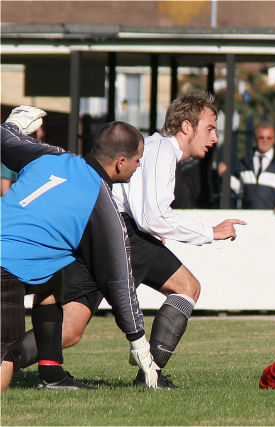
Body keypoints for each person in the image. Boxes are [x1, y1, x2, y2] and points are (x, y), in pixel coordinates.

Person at [15, 93, 246, 389]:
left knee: (70, 329)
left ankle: (7, 360)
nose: (214, 137)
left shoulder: (156, 148)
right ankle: (150, 375)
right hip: (122, 233)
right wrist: (210, 232)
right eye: (210, 128)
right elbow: (152, 218)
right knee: (187, 287)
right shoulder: (162, 150)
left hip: (104, 230)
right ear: (187, 126)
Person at [1, 107, 160, 391]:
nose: (139, 167)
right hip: (5, 271)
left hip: (12, 263)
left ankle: (51, 374)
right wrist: (139, 344)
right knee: (4, 363)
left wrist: (13, 124)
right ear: (121, 162)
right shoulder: (102, 204)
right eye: (138, 161)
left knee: (51, 279)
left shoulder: (51, 155)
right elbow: (120, 282)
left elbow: (3, 138)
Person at [220, 122, 275, 216]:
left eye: (269, 138)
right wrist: (225, 175)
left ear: (274, 140)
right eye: (261, 137)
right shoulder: (246, 161)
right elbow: (239, 188)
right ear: (255, 139)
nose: (265, 141)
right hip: (250, 220)